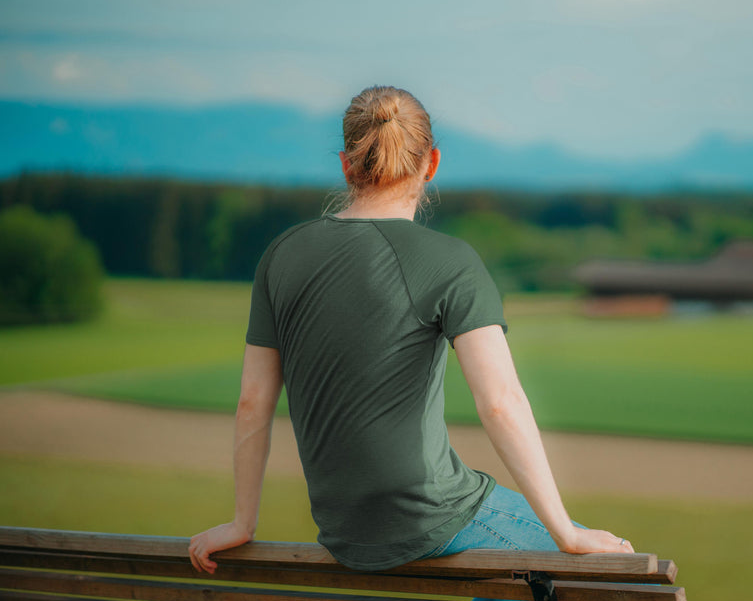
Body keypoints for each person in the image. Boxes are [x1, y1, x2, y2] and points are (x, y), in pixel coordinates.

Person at [188, 86, 633, 574]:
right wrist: (565, 532)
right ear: (432, 163)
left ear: (346, 165)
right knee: (615, 593)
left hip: (346, 533)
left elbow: (253, 401)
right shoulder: (452, 262)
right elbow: (501, 402)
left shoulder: (281, 254)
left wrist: (241, 523)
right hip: (433, 517)